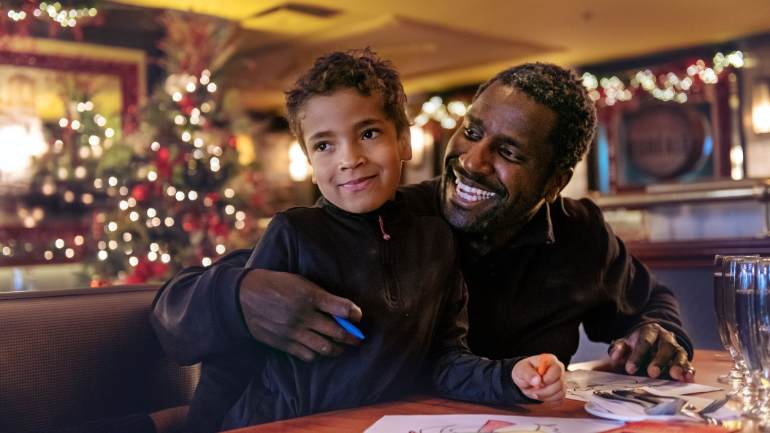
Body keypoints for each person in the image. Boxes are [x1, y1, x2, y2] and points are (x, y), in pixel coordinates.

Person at [152, 61, 694, 424]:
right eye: (473, 132)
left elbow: (650, 305)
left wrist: (658, 333)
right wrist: (241, 294)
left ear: (555, 182)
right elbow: (176, 304)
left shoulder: (581, 236)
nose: (472, 161)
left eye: (510, 153)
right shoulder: (386, 214)